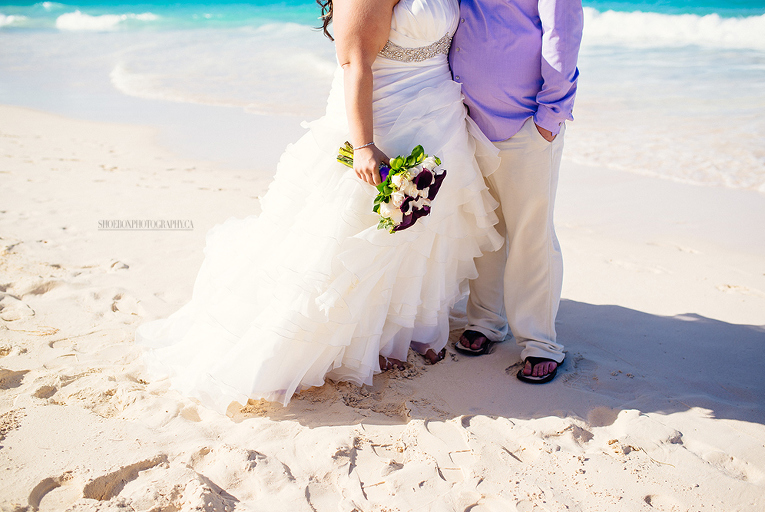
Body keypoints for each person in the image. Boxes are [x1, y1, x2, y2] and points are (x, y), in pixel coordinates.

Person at [135, 0, 503, 412]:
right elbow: (354, 63)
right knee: (353, 234)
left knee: (421, 229)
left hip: (437, 109)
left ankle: (398, 333)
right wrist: (363, 145)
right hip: (383, 114)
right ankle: (334, 344)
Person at [449, 0, 583, 383]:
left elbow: (563, 34)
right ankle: (486, 321)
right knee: (485, 227)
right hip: (467, 122)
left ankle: (540, 342)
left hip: (526, 123)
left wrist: (550, 116)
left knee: (531, 235)